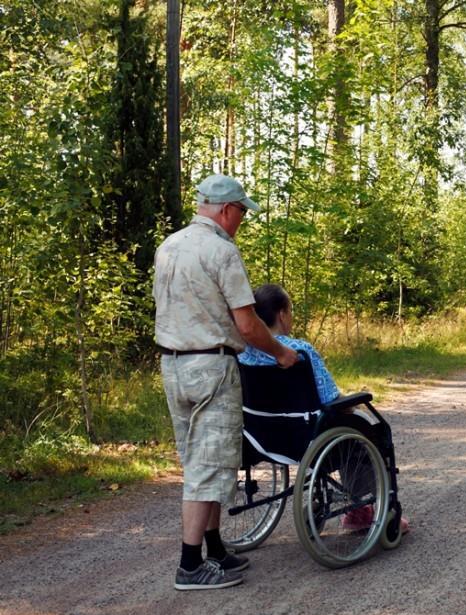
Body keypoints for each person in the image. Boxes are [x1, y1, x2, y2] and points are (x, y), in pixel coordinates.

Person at [153, 175, 298, 591]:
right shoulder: (221, 251)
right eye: (241, 214)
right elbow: (248, 325)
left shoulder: (169, 247)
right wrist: (281, 353)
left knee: (202, 459)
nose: (241, 222)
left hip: (173, 365)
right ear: (226, 210)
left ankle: (215, 548)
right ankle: (189, 565)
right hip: (211, 367)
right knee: (208, 465)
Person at [238, 283, 409, 534]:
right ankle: (360, 510)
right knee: (365, 429)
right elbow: (331, 399)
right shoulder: (300, 351)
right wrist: (352, 405)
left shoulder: (243, 353)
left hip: (262, 437)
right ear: (282, 314)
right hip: (305, 437)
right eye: (291, 311)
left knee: (338, 426)